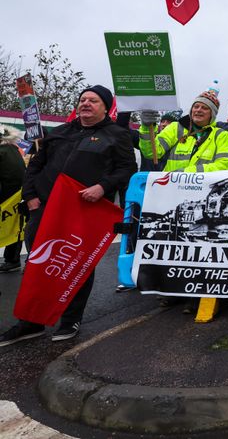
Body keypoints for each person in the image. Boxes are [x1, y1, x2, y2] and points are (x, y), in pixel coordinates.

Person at [0, 86, 137, 345]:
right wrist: (30, 197)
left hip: (83, 212)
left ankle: (70, 318)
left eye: (93, 101)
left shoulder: (117, 135)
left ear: (105, 107)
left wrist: (103, 187)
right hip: (44, 209)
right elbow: (36, 165)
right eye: (83, 99)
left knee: (75, 264)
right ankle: (32, 322)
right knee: (38, 265)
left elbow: (127, 170)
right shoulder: (59, 132)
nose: (86, 103)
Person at [140, 91, 228, 173]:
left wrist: (187, 172)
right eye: (196, 106)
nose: (198, 110)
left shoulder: (221, 135)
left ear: (212, 114)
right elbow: (152, 153)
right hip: (171, 186)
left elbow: (223, 166)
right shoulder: (175, 128)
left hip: (203, 190)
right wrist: (146, 128)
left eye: (204, 108)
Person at [0, 134, 26, 272]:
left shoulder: (3, 152)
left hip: (7, 196)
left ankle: (12, 261)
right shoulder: (11, 148)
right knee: (15, 228)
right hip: (17, 197)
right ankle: (12, 260)